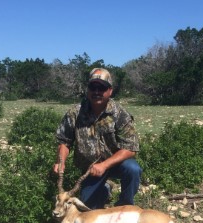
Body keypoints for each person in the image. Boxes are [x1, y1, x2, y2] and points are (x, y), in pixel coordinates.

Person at [53, 68, 142, 209]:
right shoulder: (75, 113)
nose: (97, 92)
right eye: (93, 87)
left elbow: (131, 148)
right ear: (87, 89)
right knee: (88, 210)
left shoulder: (120, 114)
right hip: (90, 170)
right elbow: (64, 141)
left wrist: (104, 165)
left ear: (110, 91)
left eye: (102, 88)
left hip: (115, 164)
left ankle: (125, 204)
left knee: (133, 169)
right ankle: (105, 189)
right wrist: (61, 161)